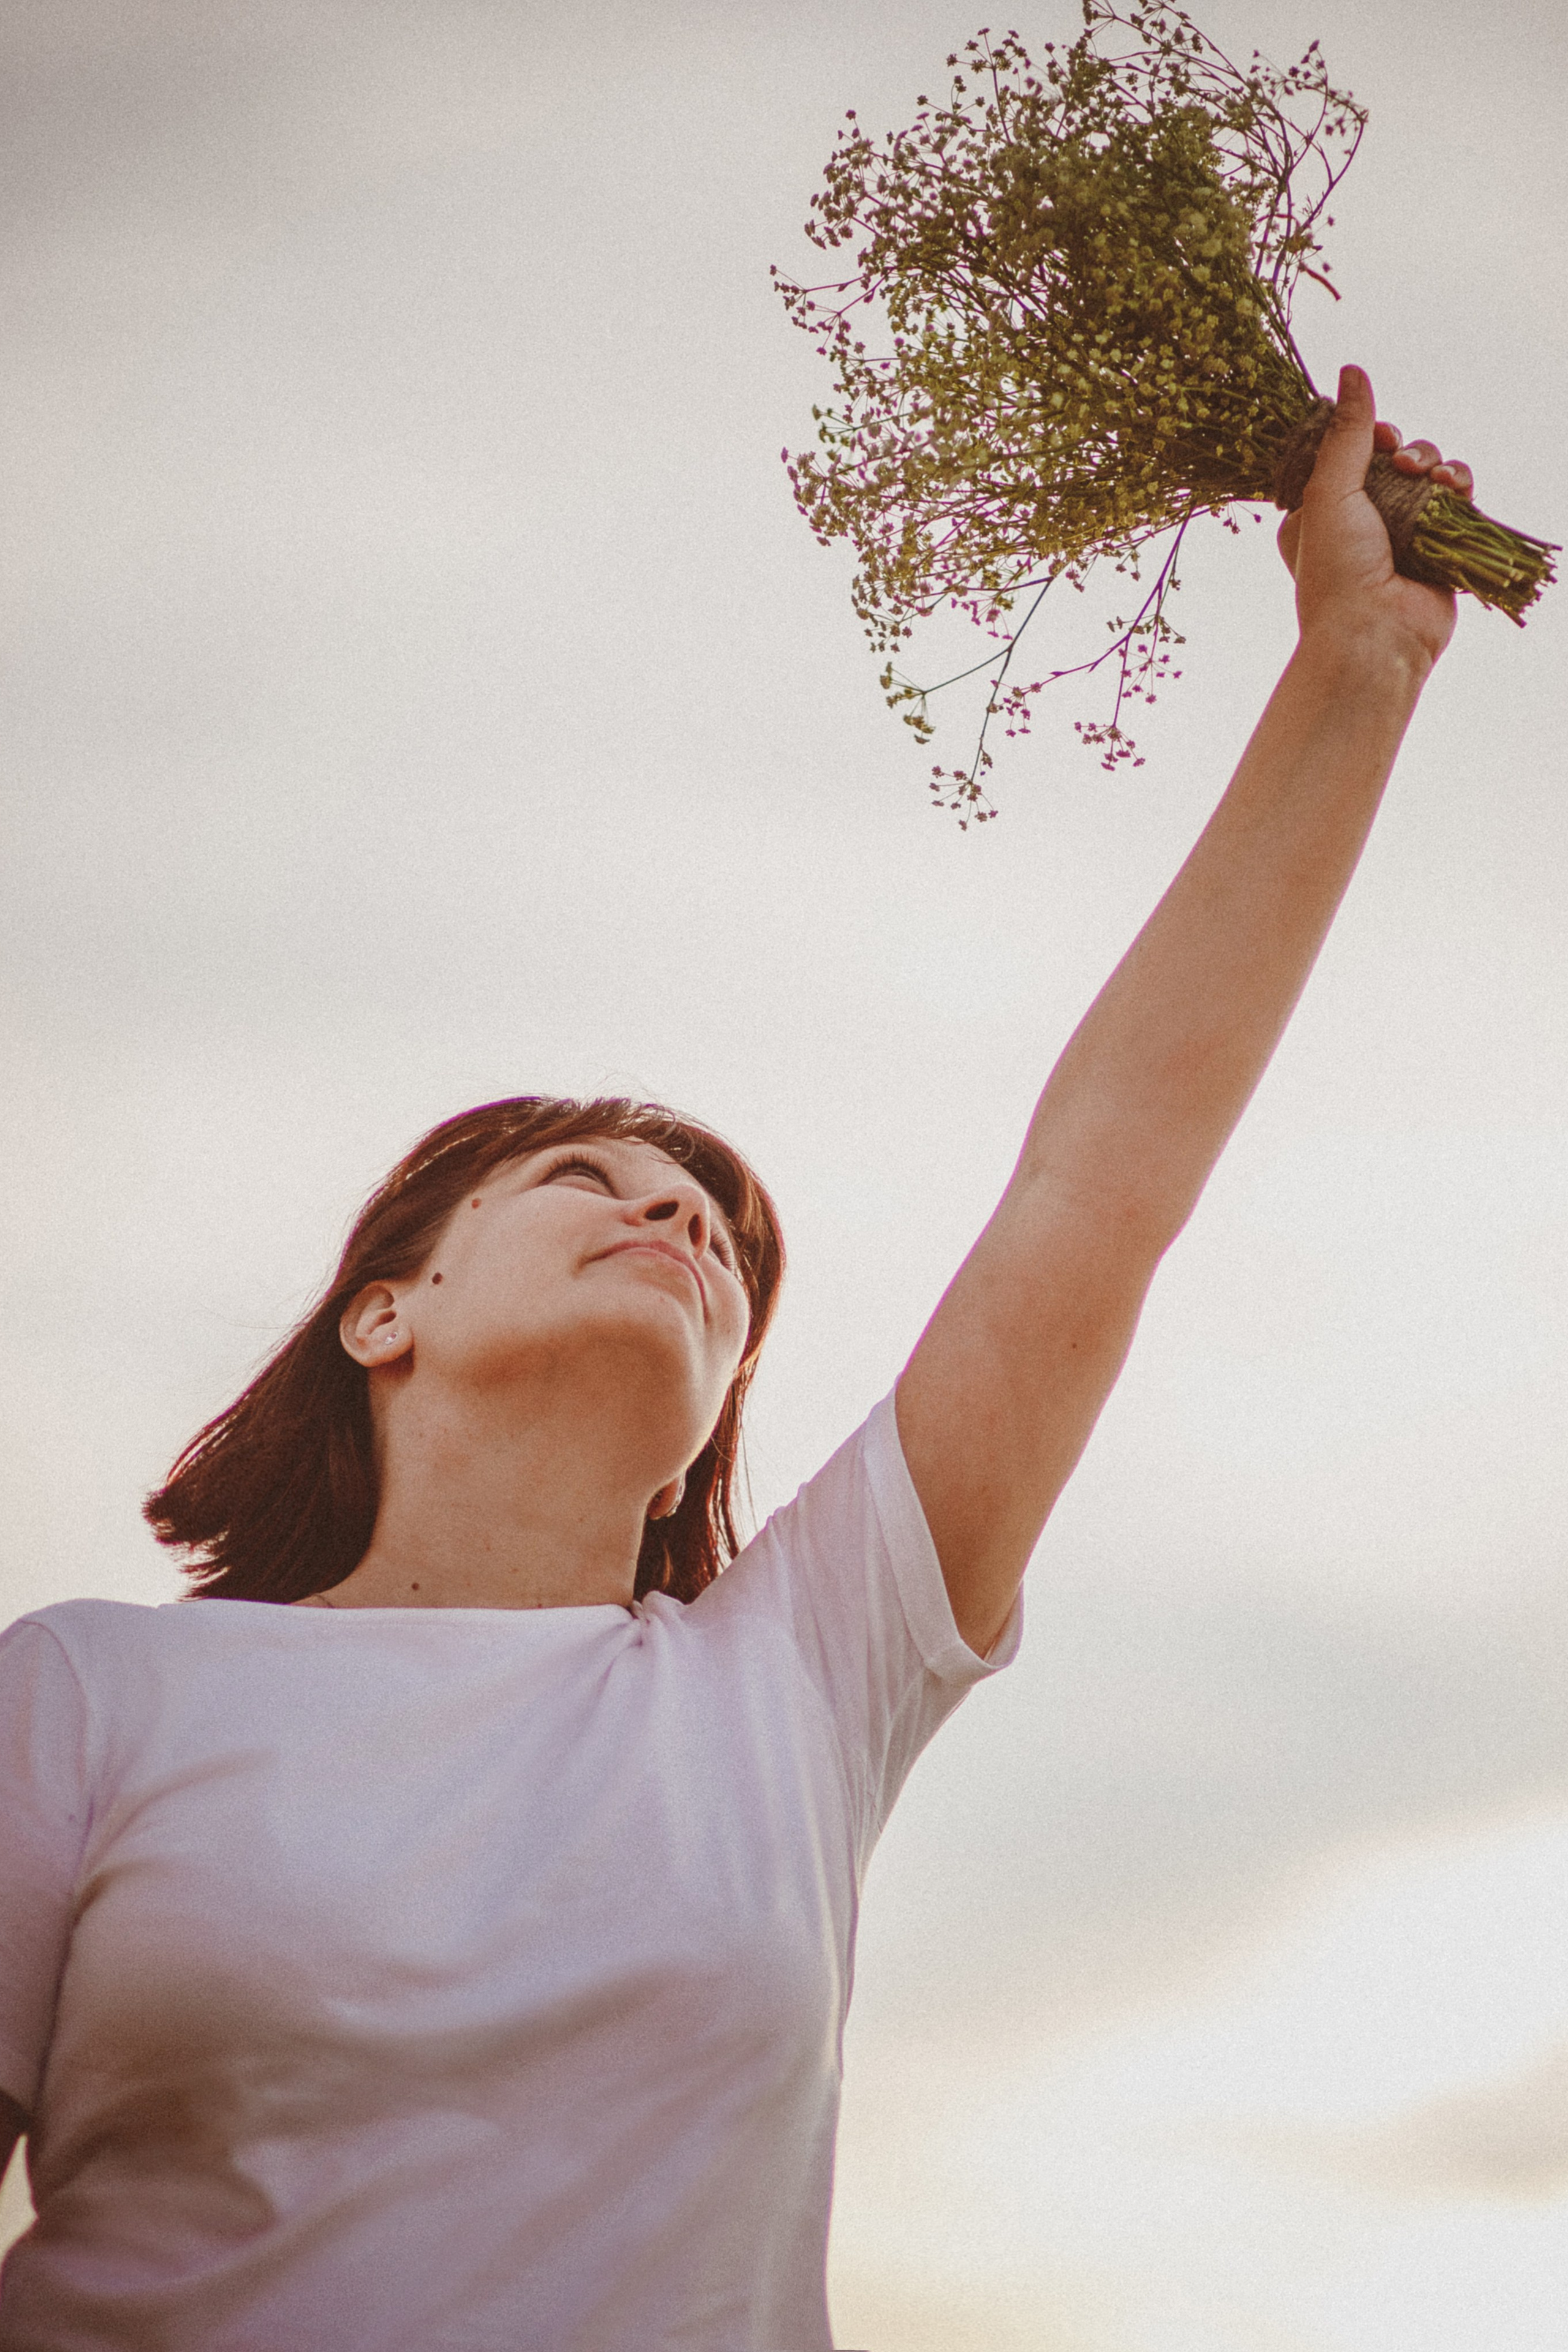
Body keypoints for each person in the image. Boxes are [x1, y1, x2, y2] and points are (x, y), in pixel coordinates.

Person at [0, 372, 1472, 2351]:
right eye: (587, 1181)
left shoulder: (789, 1682)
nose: (682, 1222)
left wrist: (1358, 661)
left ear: (709, 1440)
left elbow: (1099, 1190)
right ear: (386, 1312)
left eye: (722, 1247)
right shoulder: (98, 1690)